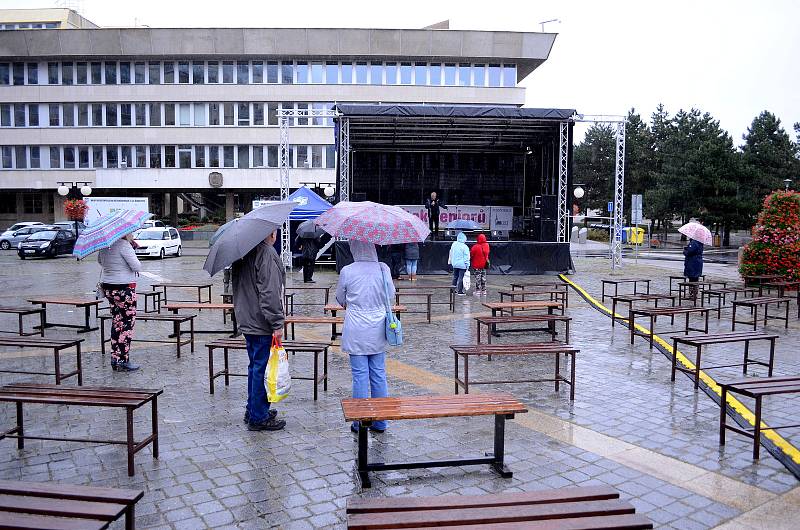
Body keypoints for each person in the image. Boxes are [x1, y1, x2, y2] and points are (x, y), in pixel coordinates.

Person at [336, 241, 394, 433]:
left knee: (360, 376)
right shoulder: (383, 268)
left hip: (356, 328)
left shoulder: (347, 271)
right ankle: (381, 421)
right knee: (378, 375)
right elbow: (391, 295)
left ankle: (359, 421)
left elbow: (340, 298)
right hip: (377, 328)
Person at [232, 230, 286, 432]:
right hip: (261, 321)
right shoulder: (266, 253)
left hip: (247, 318)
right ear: (271, 233)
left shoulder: (244, 252)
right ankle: (258, 416)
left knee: (255, 367)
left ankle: (254, 409)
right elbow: (270, 293)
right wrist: (277, 323)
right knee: (261, 369)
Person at [98, 233, 141, 372]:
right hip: (124, 289)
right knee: (127, 324)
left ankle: (114, 358)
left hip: (109, 288)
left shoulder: (104, 246)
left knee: (117, 322)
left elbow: (100, 261)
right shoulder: (124, 245)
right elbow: (136, 266)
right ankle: (123, 359)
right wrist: (132, 250)